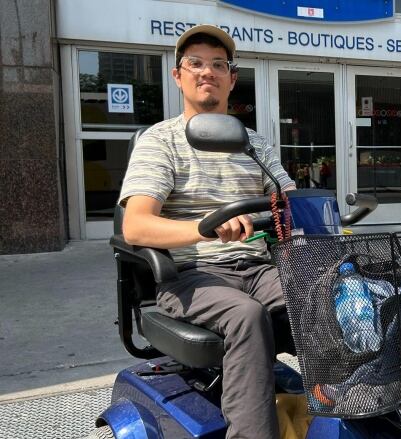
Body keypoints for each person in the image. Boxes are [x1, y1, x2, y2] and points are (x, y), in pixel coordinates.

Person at [118, 25, 295, 439]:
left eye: (218, 65)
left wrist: (321, 217)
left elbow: (291, 204)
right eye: (194, 63)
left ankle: (348, 409)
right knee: (245, 316)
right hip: (191, 275)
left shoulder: (254, 144)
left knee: (328, 294)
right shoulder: (160, 142)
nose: (207, 72)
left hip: (258, 267)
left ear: (232, 79)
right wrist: (206, 229)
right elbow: (136, 225)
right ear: (177, 75)